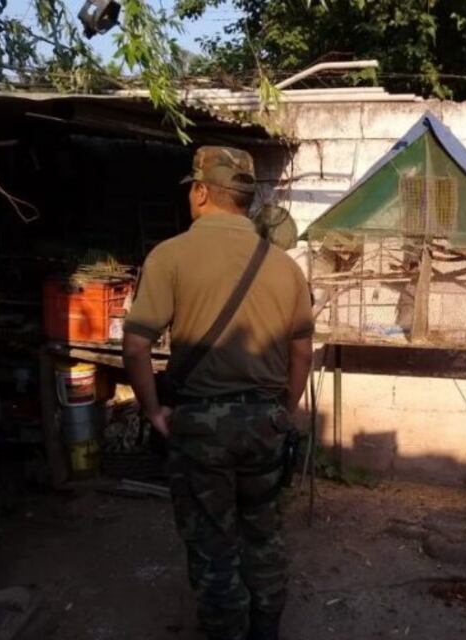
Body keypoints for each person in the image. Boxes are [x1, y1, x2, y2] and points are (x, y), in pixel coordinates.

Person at [122, 146, 314, 640]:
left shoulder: (170, 255)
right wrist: (283, 411)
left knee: (212, 542)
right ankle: (265, 630)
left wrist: (153, 411)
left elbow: (137, 346)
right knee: (263, 533)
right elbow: (302, 354)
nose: (190, 194)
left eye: (192, 187)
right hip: (267, 425)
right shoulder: (286, 267)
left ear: (203, 191)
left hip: (200, 427)